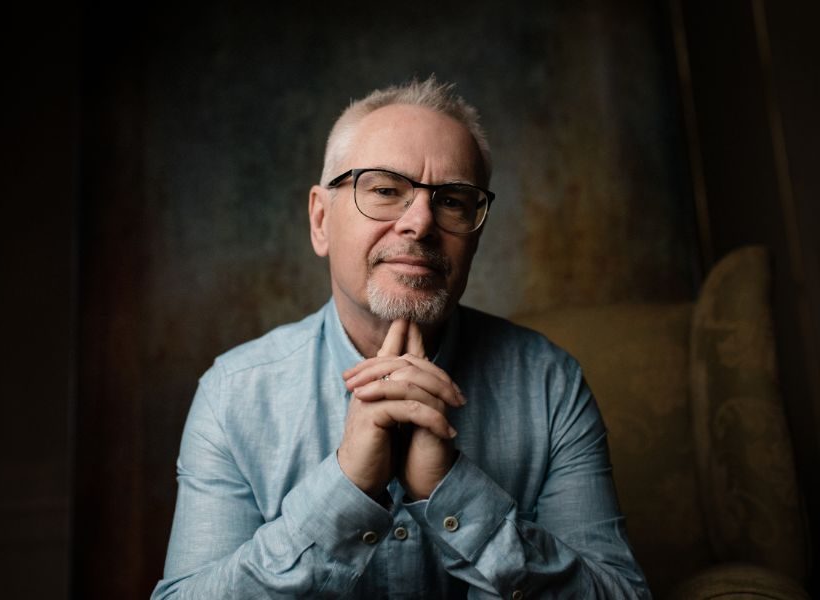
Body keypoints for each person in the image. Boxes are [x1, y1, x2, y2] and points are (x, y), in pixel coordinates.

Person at [152, 77, 650, 599]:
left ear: (475, 235)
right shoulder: (233, 394)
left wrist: (449, 491)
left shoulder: (551, 386)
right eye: (386, 190)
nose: (420, 223)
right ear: (321, 220)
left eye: (453, 200)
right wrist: (345, 488)